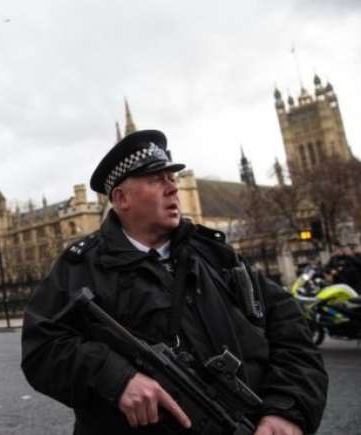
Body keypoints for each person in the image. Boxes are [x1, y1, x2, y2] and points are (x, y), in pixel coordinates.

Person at [21, 130, 327, 435]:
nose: (172, 189)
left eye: (172, 178)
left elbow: (290, 330)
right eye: (156, 179)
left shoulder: (217, 256)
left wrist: (286, 410)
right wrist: (115, 377)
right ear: (121, 198)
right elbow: (42, 350)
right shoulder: (79, 267)